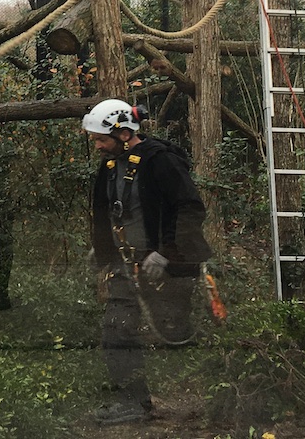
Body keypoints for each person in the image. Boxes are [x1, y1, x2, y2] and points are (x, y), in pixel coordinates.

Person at [83, 98, 212, 426]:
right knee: (117, 331)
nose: (97, 145)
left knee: (181, 334)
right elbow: (107, 213)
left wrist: (167, 251)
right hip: (127, 267)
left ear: (124, 133)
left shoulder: (162, 162)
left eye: (101, 139)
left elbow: (190, 209)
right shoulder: (110, 166)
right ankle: (133, 402)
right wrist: (104, 252)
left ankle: (226, 396)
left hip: (165, 269)